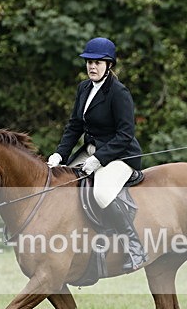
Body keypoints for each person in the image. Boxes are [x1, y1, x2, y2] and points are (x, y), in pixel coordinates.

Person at [47, 37, 147, 272]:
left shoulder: (119, 93)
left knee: (101, 194)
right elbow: (74, 126)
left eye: (98, 63)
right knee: (61, 182)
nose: (92, 66)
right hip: (90, 152)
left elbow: (125, 135)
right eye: (89, 62)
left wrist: (99, 159)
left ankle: (134, 247)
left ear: (109, 65)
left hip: (120, 155)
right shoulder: (83, 88)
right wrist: (59, 155)